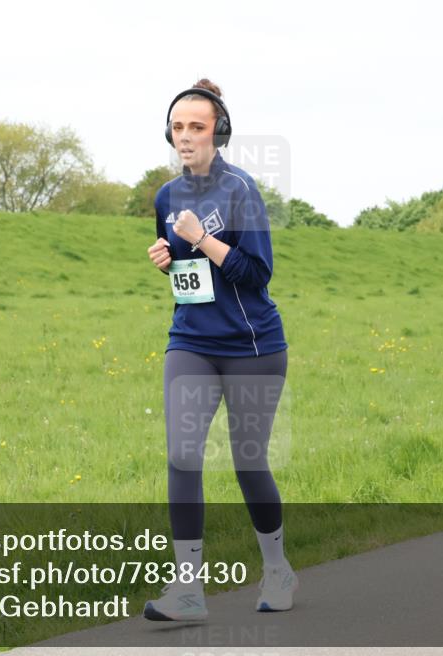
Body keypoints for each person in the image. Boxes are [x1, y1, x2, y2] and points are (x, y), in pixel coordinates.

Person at [143, 78, 298, 621]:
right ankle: (188, 589)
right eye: (177, 127)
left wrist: (203, 239)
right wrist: (170, 258)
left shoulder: (241, 190)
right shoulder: (166, 195)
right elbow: (192, 275)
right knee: (182, 455)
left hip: (251, 345)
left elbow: (257, 273)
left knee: (248, 461)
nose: (185, 137)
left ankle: (277, 569)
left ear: (219, 133)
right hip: (190, 339)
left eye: (197, 127)